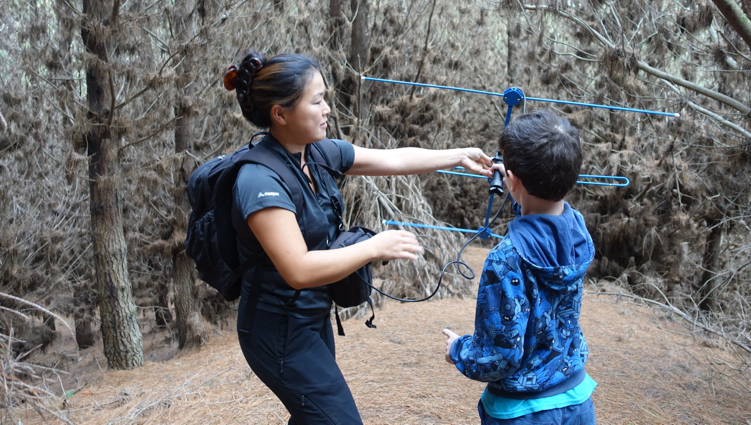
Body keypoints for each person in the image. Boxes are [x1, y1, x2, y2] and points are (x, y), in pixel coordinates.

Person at [223, 51, 493, 425]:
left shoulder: (316, 154)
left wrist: (458, 155)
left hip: (310, 318)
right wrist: (374, 247)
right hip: (275, 330)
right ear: (280, 114)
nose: (327, 109)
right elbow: (298, 269)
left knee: (314, 417)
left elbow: (394, 160)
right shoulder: (259, 181)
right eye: (316, 101)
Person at [442, 108, 597, 425]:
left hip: (522, 414)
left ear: (511, 181)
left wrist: (458, 349)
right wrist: (517, 186)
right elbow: (542, 210)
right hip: (577, 402)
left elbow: (499, 357)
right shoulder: (577, 231)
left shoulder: (505, 259)